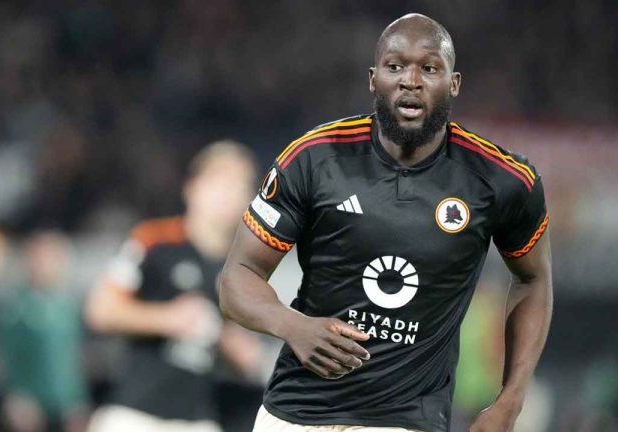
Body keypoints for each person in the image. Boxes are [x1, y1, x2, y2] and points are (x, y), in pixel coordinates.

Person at [219, 13, 553, 432]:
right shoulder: (314, 158)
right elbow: (237, 276)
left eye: (429, 68)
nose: (411, 81)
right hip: (293, 412)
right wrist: (292, 325)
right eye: (395, 66)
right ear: (374, 79)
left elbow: (533, 278)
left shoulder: (502, 180)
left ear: (453, 83)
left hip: (405, 420)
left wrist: (511, 399)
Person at [85, 140, 263, 432]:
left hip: (196, 418)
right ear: (192, 188)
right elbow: (100, 310)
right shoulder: (154, 241)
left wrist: (236, 347)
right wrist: (167, 318)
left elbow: (237, 344)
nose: (228, 193)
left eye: (239, 185)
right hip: (135, 414)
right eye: (219, 181)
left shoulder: (242, 269)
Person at [0, 231, 89, 432]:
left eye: (55, 259)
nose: (49, 266)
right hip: (31, 399)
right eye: (42, 259)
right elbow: (8, 354)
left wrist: (78, 400)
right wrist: (17, 395)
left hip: (66, 399)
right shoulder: (15, 304)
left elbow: (73, 358)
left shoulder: (68, 304)